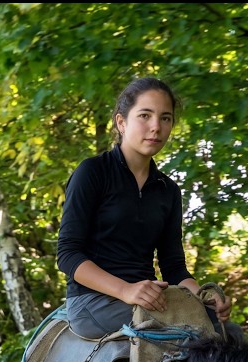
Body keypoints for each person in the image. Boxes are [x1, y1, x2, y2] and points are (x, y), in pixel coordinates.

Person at [57, 76, 234, 340]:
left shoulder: (168, 190)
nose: (156, 127)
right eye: (145, 115)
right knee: (194, 338)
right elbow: (68, 255)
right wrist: (126, 290)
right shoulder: (92, 172)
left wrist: (203, 297)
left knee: (232, 336)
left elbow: (173, 267)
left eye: (165, 118)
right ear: (121, 122)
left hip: (150, 300)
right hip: (93, 302)